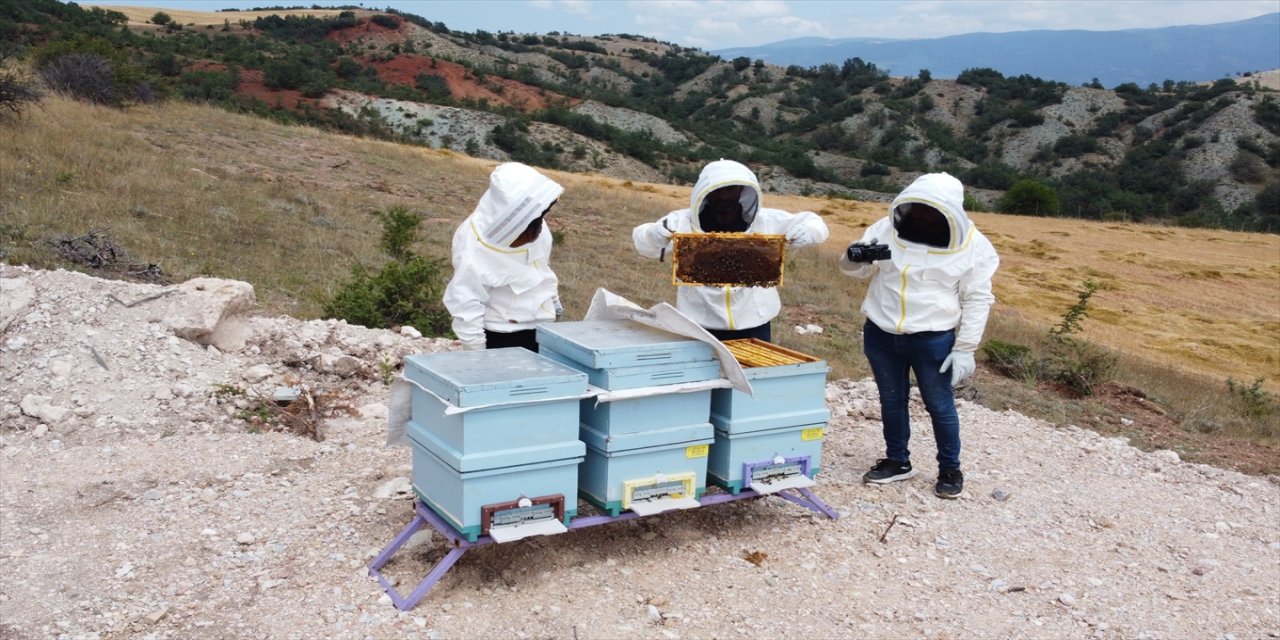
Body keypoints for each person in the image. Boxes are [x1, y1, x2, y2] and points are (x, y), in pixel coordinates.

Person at [839, 172, 999, 499]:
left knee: (939, 405)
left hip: (933, 340)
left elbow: (978, 298)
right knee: (891, 399)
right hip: (880, 333)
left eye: (931, 210)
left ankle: (950, 469)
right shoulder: (886, 229)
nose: (922, 215)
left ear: (950, 211)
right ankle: (898, 462)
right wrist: (853, 256)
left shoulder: (974, 245)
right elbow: (855, 270)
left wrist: (965, 348)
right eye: (918, 207)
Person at [631, 159, 829, 342]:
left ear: (742, 191)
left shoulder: (766, 221)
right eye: (718, 190)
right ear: (705, 191)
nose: (724, 196)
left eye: (730, 189)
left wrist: (809, 232)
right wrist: (653, 235)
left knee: (752, 377)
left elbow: (815, 223)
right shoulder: (681, 221)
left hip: (754, 323)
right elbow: (643, 244)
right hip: (699, 323)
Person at [443, 162, 564, 353]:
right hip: (502, 334)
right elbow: (466, 302)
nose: (539, 225)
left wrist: (554, 301)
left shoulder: (536, 223)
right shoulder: (472, 244)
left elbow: (540, 266)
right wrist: (476, 352)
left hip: (544, 327)